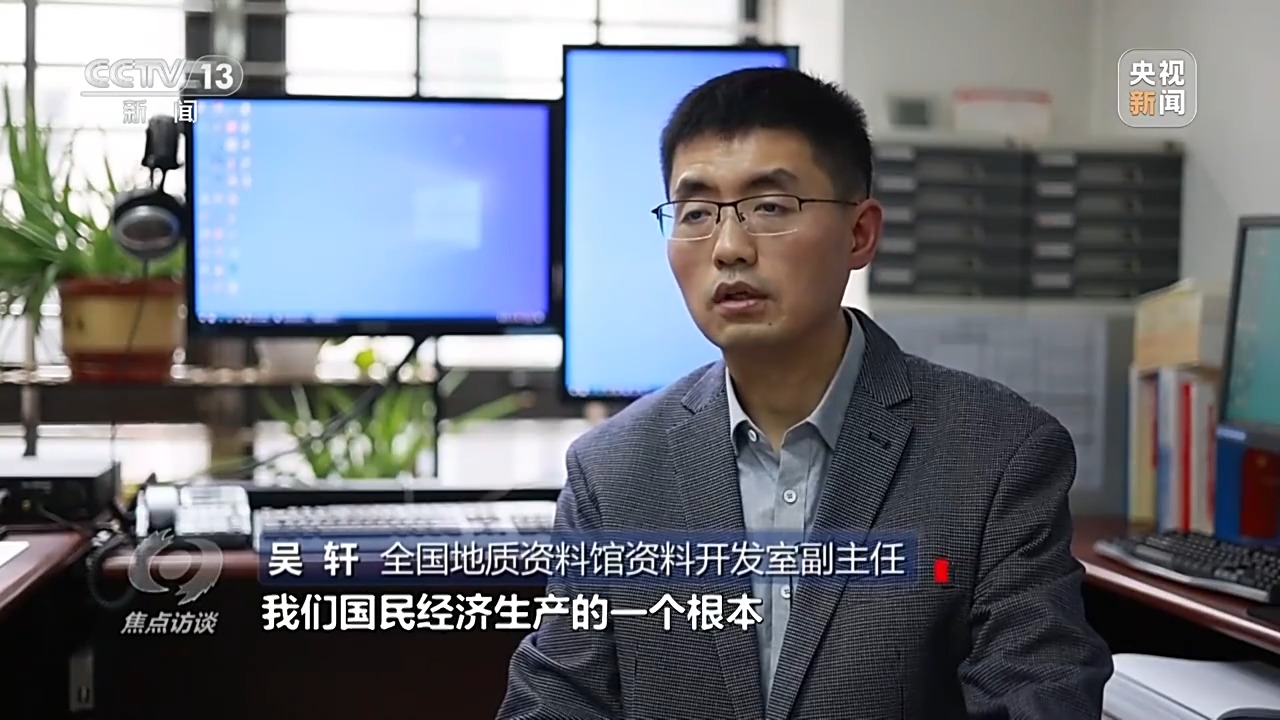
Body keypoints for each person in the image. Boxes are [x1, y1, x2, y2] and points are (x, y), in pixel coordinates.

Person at [498, 68, 1112, 719]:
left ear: (860, 234)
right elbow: (556, 700)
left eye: (770, 207)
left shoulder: (997, 454)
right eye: (697, 212)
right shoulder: (612, 470)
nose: (729, 248)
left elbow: (1039, 695)